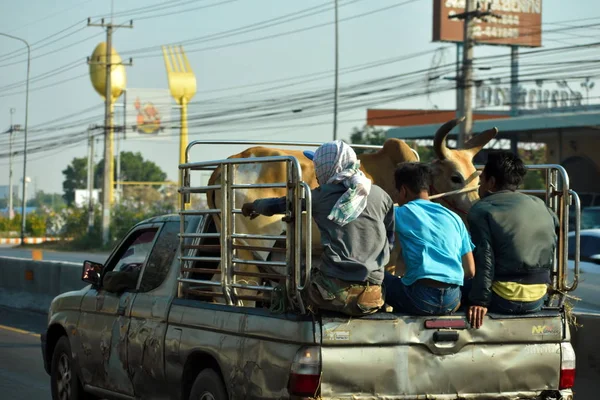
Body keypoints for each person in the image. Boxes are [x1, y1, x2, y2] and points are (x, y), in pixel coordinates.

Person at [241, 140, 394, 316]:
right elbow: (389, 239)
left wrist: (252, 206)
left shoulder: (320, 195)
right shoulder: (381, 195)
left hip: (333, 295)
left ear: (328, 167)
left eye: (318, 167)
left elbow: (278, 205)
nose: (316, 175)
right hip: (373, 297)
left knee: (288, 287)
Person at [467, 151, 559, 329]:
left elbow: (485, 258)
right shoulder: (541, 205)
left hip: (504, 299)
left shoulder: (481, 210)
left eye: (481, 179)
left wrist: (480, 301)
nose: (478, 185)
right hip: (538, 299)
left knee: (450, 290)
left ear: (491, 182)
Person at [383, 162, 475, 316]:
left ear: (403, 191)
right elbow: (470, 270)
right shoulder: (454, 218)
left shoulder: (399, 213)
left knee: (378, 276)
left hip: (419, 299)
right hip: (452, 301)